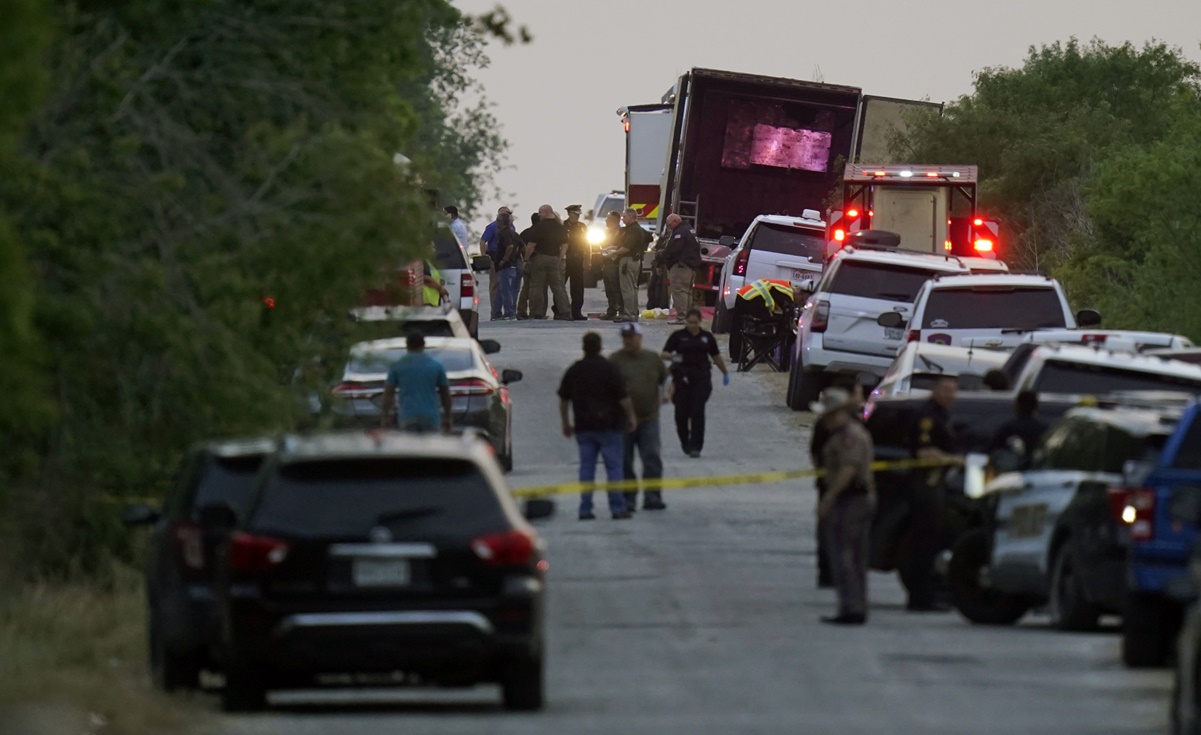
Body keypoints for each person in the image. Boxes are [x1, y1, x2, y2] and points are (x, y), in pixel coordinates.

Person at [813, 387, 876, 625]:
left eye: (830, 415)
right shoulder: (846, 434)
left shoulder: (848, 436)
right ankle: (854, 606)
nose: (826, 420)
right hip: (855, 499)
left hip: (851, 500)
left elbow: (848, 470)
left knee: (845, 556)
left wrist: (829, 498)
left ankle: (851, 607)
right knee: (854, 557)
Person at [559, 332, 638, 520]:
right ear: (600, 347)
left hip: (584, 427)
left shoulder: (575, 370)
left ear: (583, 347)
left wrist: (566, 422)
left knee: (586, 468)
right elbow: (623, 397)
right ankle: (617, 507)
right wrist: (631, 416)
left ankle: (585, 509)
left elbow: (563, 399)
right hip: (610, 426)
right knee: (614, 468)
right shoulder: (609, 369)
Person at [901, 374, 959, 612]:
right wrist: (957, 460)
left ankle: (924, 596)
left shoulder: (941, 415)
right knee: (923, 545)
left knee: (929, 544)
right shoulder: (928, 417)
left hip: (935, 486)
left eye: (953, 391)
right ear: (935, 390)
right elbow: (926, 453)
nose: (950, 395)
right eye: (945, 390)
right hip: (925, 486)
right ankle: (920, 598)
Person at [810, 375, 866, 589]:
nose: (861, 397)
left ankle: (838, 574)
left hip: (851, 488)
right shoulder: (831, 425)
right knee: (829, 531)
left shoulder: (855, 422)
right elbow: (816, 453)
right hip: (833, 484)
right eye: (858, 392)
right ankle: (828, 573)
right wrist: (825, 480)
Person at [610, 322, 669, 512]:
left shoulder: (652, 359)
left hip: (649, 417)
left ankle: (653, 496)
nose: (627, 341)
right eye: (625, 337)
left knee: (651, 456)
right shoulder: (615, 360)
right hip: (624, 420)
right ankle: (628, 499)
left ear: (639, 338)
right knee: (625, 460)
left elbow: (666, 378)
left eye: (631, 337)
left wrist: (668, 393)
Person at [662, 307, 730, 458]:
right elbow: (665, 353)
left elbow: (716, 356)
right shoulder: (678, 336)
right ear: (686, 322)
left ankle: (696, 446)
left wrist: (725, 372)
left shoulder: (707, 337)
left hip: (701, 378)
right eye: (690, 323)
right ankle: (685, 441)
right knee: (681, 414)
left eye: (695, 323)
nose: (692, 326)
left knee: (697, 411)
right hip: (682, 378)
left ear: (700, 322)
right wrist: (675, 359)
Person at [380, 332, 452, 433]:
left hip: (407, 415)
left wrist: (385, 417)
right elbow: (445, 393)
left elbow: (388, 394)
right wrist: (448, 417)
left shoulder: (397, 366)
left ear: (407, 345)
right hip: (431, 416)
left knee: (410, 447)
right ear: (423, 345)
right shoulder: (436, 366)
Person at [523, 205, 571, 320]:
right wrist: (559, 258)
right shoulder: (560, 227)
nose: (539, 215)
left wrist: (526, 259)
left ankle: (536, 312)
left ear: (545, 212)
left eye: (540, 212)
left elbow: (531, 245)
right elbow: (565, 245)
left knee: (537, 287)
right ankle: (565, 312)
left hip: (540, 258)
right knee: (558, 287)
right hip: (554, 259)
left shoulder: (539, 226)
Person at [614, 208, 653, 322]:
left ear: (631, 217)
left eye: (624, 216)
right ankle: (633, 313)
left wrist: (612, 253)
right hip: (635, 260)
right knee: (633, 288)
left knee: (627, 288)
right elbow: (649, 237)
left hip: (628, 260)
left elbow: (626, 248)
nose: (622, 218)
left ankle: (628, 314)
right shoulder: (638, 229)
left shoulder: (633, 230)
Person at [662, 214, 703, 323]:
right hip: (690, 267)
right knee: (687, 292)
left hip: (681, 267)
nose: (670, 228)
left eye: (670, 225)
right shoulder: (690, 230)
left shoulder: (680, 232)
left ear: (675, 221)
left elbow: (673, 249)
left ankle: (681, 317)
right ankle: (687, 316)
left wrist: (663, 255)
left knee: (679, 290)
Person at [990, 390, 1047, 462]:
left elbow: (993, 449)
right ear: (1036, 406)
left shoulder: (1008, 428)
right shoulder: (1044, 429)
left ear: (1017, 405)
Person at [480, 206, 512, 320]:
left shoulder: (511, 227)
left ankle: (507, 312)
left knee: (506, 286)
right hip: (495, 258)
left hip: (507, 259)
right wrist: (484, 256)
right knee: (495, 286)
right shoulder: (493, 226)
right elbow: (483, 240)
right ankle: (495, 313)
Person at [492, 210, 524, 320]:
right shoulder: (514, 234)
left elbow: (509, 246)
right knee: (506, 290)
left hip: (505, 265)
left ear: (501, 222)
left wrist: (504, 259)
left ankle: (509, 313)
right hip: (513, 264)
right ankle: (498, 313)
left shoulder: (503, 233)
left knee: (505, 290)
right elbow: (522, 246)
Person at [563, 204, 590, 321]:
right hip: (566, 259)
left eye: (579, 214)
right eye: (575, 214)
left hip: (578, 259)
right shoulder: (563, 226)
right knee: (560, 286)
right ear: (569, 214)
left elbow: (587, 245)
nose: (577, 217)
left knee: (578, 287)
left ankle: (576, 312)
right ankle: (560, 310)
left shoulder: (582, 227)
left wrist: (588, 260)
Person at [599, 211, 624, 320]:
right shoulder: (607, 232)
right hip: (606, 263)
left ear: (614, 220)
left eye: (608, 219)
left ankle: (621, 310)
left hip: (615, 263)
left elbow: (620, 246)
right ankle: (612, 310)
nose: (606, 221)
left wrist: (612, 249)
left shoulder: (621, 232)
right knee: (609, 289)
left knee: (616, 288)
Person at [516, 212, 539, 319]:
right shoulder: (538, 232)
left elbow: (518, 247)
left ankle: (521, 310)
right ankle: (534, 311)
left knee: (525, 287)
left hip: (525, 261)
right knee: (536, 287)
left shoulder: (525, 233)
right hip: (535, 261)